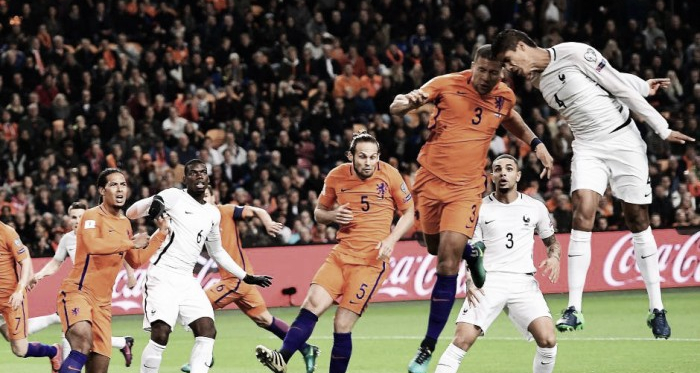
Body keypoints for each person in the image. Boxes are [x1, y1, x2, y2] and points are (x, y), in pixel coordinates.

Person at [492, 29, 695, 339]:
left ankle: (657, 309)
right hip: (587, 147)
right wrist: (641, 84)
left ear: (522, 47)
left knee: (637, 219)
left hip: (624, 140)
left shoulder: (574, 52)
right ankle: (574, 308)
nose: (510, 69)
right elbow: (604, 82)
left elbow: (612, 81)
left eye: (508, 60)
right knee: (583, 211)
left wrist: (660, 126)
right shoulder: (536, 82)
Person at [389, 44, 554, 373]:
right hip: (430, 181)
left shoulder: (504, 95)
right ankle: (472, 253)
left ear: (502, 72)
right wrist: (403, 102)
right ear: (472, 65)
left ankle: (427, 346)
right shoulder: (446, 83)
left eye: (494, 72)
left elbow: (511, 119)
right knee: (434, 247)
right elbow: (410, 99)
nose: (487, 77)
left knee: (447, 263)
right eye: (482, 70)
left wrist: (536, 143)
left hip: (467, 188)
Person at [255, 131, 415, 373]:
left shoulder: (390, 174)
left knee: (341, 324)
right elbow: (320, 212)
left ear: (379, 157)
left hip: (371, 262)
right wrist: (332, 216)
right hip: (341, 255)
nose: (368, 162)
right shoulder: (336, 176)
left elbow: (409, 211)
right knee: (311, 305)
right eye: (362, 157)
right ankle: (282, 358)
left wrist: (392, 239)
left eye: (373, 157)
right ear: (350, 156)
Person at [125, 159, 273, 373]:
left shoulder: (213, 213)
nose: (199, 176)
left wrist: (245, 276)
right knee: (161, 333)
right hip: (162, 276)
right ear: (185, 179)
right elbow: (134, 212)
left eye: (203, 172)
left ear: (208, 177)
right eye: (193, 173)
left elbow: (217, 251)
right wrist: (155, 205)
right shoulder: (174, 196)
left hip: (187, 280)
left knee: (207, 330)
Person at [434, 154, 560, 373]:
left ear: (518, 175)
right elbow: (473, 251)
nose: (503, 173)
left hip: (522, 282)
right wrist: (470, 279)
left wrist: (554, 257)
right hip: (489, 282)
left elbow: (552, 242)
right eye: (498, 169)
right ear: (491, 176)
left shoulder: (535, 207)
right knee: (462, 340)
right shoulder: (479, 209)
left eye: (509, 169)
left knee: (548, 340)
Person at [179, 186, 319, 373]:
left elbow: (257, 210)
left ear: (214, 196)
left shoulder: (226, 211)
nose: (202, 199)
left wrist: (268, 223)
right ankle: (306, 348)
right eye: (198, 197)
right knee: (264, 319)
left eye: (206, 195)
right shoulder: (199, 221)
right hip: (242, 279)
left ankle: (204, 358)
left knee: (198, 305)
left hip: (237, 278)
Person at [55, 168, 155, 373]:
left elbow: (135, 261)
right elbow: (93, 246)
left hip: (103, 304)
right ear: (102, 190)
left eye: (123, 184)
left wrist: (159, 236)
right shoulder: (91, 215)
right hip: (78, 292)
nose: (120, 189)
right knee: (83, 340)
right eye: (113, 184)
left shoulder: (125, 223)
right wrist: (130, 242)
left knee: (99, 367)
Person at [31, 202, 136, 366]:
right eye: (73, 217)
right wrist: (39, 274)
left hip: (99, 291)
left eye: (81, 216)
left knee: (82, 336)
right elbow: (56, 262)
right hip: (80, 292)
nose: (77, 220)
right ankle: (122, 343)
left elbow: (122, 250)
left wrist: (130, 274)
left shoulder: (99, 233)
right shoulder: (67, 239)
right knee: (75, 333)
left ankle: (121, 343)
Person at [0, 220, 62, 371]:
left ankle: (53, 351)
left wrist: (20, 290)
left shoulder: (7, 232)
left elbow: (25, 259)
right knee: (9, 335)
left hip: (11, 298)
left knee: (19, 349)